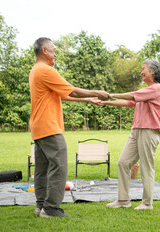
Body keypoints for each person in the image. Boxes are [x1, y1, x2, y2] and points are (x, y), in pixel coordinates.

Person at [29, 37, 110, 218]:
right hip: (49, 126)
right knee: (59, 165)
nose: (55, 53)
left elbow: (63, 94)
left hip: (38, 126)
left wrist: (87, 99)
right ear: (44, 51)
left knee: (42, 168)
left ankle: (40, 205)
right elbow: (71, 90)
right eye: (53, 49)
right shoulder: (46, 70)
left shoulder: (35, 70)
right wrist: (97, 92)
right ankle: (50, 209)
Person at [103, 59, 160, 210]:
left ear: (153, 71)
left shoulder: (157, 88)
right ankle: (123, 200)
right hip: (136, 130)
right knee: (123, 162)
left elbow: (131, 96)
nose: (141, 72)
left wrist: (109, 95)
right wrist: (104, 102)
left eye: (143, 68)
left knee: (146, 167)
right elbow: (128, 102)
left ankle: (147, 203)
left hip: (149, 130)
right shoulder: (144, 92)